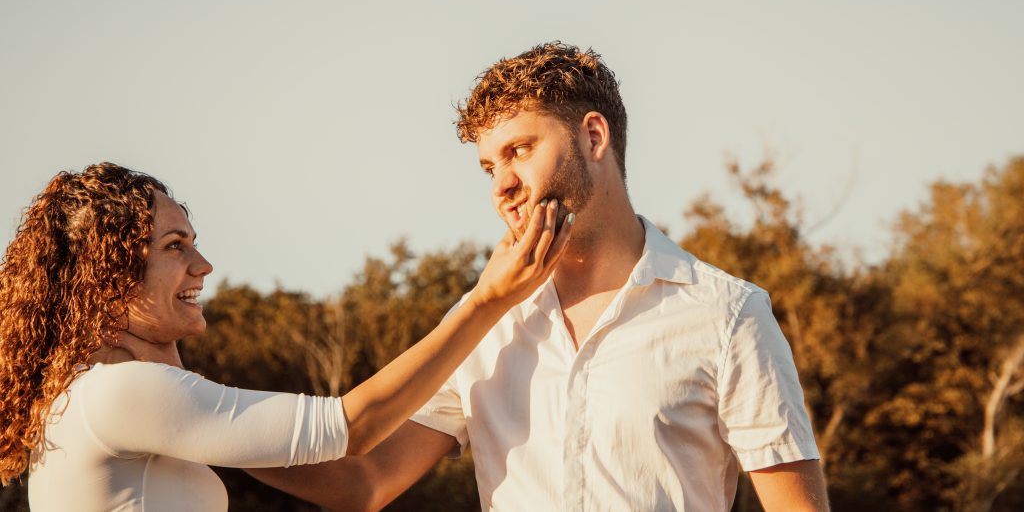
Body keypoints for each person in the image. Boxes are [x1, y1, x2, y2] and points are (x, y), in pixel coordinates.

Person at [253, 42, 830, 511]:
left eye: (520, 151)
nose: (500, 185)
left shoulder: (727, 315)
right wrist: (195, 421)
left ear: (593, 137)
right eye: (489, 166)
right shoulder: (480, 322)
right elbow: (364, 482)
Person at [0, 162, 572, 511]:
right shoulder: (121, 395)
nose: (204, 265)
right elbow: (351, 427)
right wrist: (488, 300)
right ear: (106, 277)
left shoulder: (98, 399)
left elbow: (360, 488)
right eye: (175, 246)